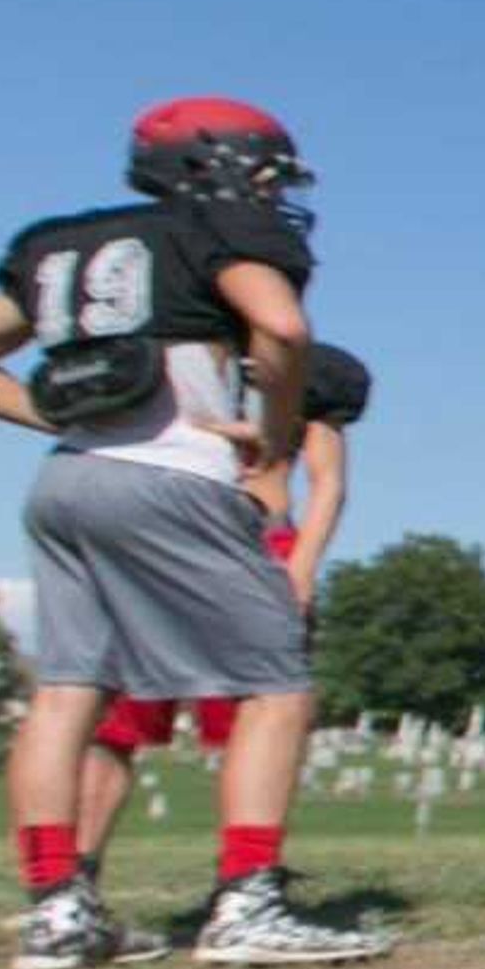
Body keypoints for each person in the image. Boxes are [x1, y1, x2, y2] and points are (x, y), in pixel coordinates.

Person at [0, 98, 386, 967]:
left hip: (68, 478)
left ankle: (57, 910)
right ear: (217, 165)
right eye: (267, 174)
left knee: (68, 689)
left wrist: (56, 416)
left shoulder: (57, 244)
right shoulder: (221, 234)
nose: (274, 193)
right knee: (275, 683)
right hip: (176, 476)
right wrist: (276, 440)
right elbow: (280, 326)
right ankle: (247, 901)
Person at [78, 339, 371, 891]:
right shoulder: (175, 363)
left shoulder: (305, 368)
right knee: (117, 723)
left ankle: (246, 876)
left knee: (258, 721)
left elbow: (329, 482)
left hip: (254, 542)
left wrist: (302, 569)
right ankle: (78, 877)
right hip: (161, 538)